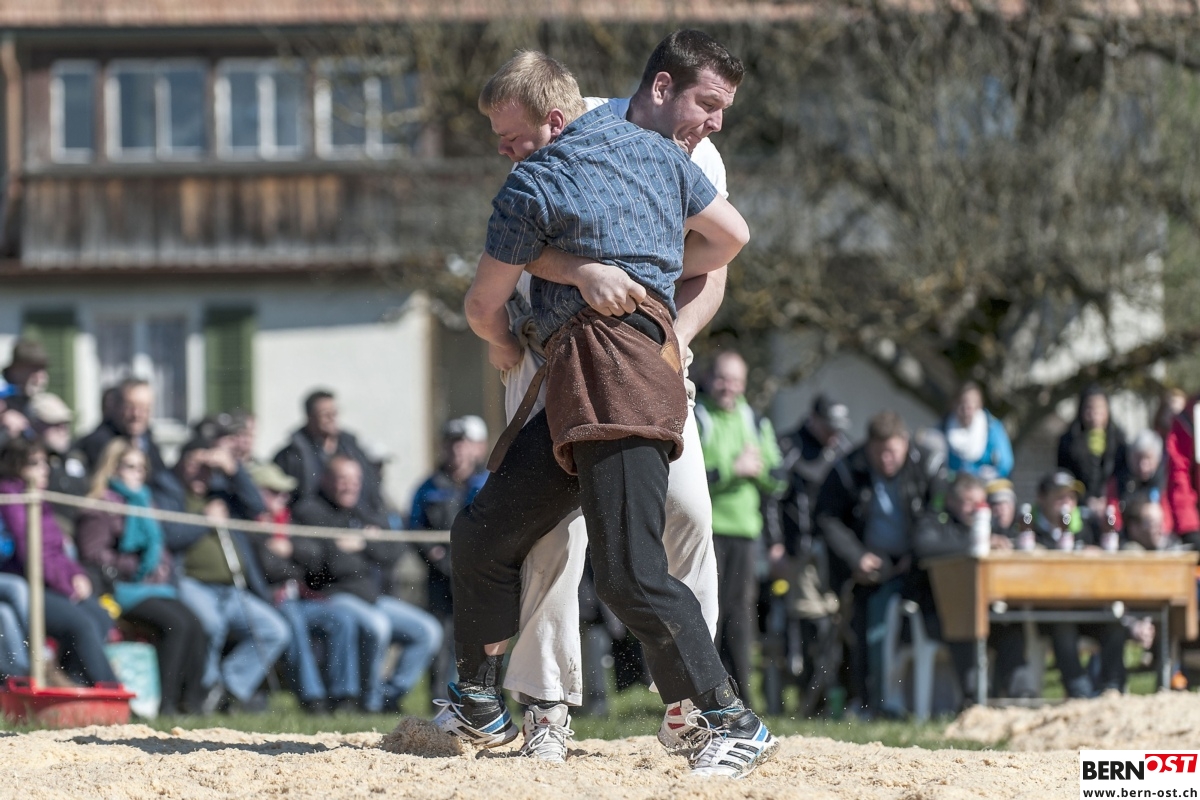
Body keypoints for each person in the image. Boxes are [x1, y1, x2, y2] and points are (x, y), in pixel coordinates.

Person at [441, 50, 777, 778]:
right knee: (486, 533)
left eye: (511, 137)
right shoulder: (658, 154)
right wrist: (648, 269)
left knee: (630, 573)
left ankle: (730, 719)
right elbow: (731, 237)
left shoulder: (532, 183)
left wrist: (502, 344)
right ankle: (480, 700)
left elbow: (482, 303)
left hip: (618, 386)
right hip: (586, 386)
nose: (503, 151)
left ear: (556, 120)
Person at [293, 456, 441, 713]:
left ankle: (389, 696)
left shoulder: (361, 510)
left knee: (428, 631)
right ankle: (369, 703)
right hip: (333, 595)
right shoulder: (310, 511)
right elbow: (329, 564)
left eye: (355, 480)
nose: (350, 486)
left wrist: (363, 543)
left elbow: (393, 552)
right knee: (377, 626)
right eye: (342, 479)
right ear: (326, 479)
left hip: (371, 598)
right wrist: (363, 545)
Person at [813, 410, 939, 716]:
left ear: (905, 443)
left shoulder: (924, 465)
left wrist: (916, 553)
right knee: (872, 631)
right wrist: (856, 556)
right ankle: (873, 701)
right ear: (868, 446)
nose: (886, 459)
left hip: (917, 565)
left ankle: (924, 704)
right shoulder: (847, 469)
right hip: (869, 568)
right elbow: (826, 518)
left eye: (892, 451)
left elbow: (935, 514)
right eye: (879, 452)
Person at [75, 439, 209, 715]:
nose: (137, 474)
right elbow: (92, 554)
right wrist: (134, 565)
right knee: (177, 625)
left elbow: (158, 548)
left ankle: (191, 703)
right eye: (130, 467)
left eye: (141, 468)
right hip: (119, 588)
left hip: (153, 587)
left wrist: (159, 566)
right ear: (113, 468)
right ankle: (165, 704)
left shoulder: (145, 501)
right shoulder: (101, 504)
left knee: (197, 625)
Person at [165, 436, 290, 714]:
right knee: (212, 624)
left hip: (232, 588)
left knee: (275, 630)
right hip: (192, 582)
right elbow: (170, 536)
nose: (202, 472)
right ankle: (203, 691)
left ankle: (226, 689)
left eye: (208, 467)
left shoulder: (222, 494)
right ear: (181, 463)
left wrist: (233, 469)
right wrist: (205, 521)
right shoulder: (169, 492)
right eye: (195, 464)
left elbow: (257, 506)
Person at [694, 351, 786, 703]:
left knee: (741, 617)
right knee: (707, 614)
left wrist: (756, 470)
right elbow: (691, 478)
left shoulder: (755, 421)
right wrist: (734, 469)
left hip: (746, 534)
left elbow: (778, 477)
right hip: (707, 531)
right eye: (722, 378)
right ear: (709, 378)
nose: (728, 387)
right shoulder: (697, 417)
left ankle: (743, 700)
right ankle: (706, 695)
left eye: (735, 380)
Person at [0, 438, 118, 687]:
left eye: (45, 462)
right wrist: (67, 586)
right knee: (82, 624)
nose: (45, 469)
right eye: (35, 463)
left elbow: (57, 549)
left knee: (100, 616)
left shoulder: (39, 499)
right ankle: (111, 689)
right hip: (29, 584)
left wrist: (76, 575)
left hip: (53, 583)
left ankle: (76, 683)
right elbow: (30, 552)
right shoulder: (11, 497)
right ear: (16, 466)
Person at [248, 461, 362, 715]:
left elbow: (315, 557)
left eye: (284, 492)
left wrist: (290, 549)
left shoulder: (288, 521)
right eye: (274, 492)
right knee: (294, 622)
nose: (283, 497)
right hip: (271, 600)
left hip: (300, 598)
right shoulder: (249, 525)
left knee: (342, 619)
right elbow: (269, 570)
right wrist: (292, 562)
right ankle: (312, 698)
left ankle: (344, 696)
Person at [912, 473, 1034, 702]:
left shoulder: (990, 525)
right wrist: (976, 544)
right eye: (968, 502)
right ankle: (975, 698)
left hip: (986, 611)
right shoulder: (936, 522)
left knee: (1010, 624)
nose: (975, 508)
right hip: (940, 613)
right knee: (965, 621)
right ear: (951, 501)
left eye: (980, 502)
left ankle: (1021, 696)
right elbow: (924, 547)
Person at [775, 394, 852, 717]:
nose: (834, 434)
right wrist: (776, 543)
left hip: (836, 553)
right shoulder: (790, 447)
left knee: (838, 625)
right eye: (828, 427)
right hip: (801, 552)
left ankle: (841, 698)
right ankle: (810, 702)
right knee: (811, 625)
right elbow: (773, 498)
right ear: (813, 419)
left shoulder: (842, 448)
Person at [410, 416, 489, 704]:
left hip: (480, 577)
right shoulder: (428, 486)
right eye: (451, 443)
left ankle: (483, 699)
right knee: (443, 641)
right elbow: (414, 527)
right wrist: (431, 552)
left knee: (484, 639)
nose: (457, 449)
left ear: (474, 447)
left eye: (462, 443)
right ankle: (441, 700)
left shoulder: (489, 482)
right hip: (440, 577)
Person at [1031, 471, 1127, 697]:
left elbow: (1111, 555)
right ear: (1042, 498)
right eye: (1059, 496)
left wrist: (1096, 555)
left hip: (1087, 605)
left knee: (1115, 626)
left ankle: (1113, 689)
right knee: (1063, 626)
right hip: (1048, 610)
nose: (1067, 503)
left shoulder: (1087, 526)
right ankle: (1079, 693)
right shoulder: (1029, 527)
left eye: (1071, 497)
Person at [273, 390, 385, 520]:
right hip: (310, 525)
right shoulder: (291, 456)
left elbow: (371, 492)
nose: (332, 418)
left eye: (334, 413)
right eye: (325, 414)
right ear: (310, 417)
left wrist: (375, 521)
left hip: (356, 522)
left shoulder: (353, 450)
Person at [1057, 385, 1127, 535]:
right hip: (1079, 507)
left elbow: (1122, 476)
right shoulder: (1068, 441)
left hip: (1111, 505)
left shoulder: (1119, 441)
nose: (1095, 415)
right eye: (1089, 409)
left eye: (1100, 409)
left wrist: (1106, 499)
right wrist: (1086, 500)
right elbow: (1065, 477)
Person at [941, 381, 1013, 480]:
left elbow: (1005, 464)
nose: (966, 410)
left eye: (970, 406)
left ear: (979, 406)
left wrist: (984, 475)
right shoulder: (944, 426)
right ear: (954, 404)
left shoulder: (992, 428)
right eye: (962, 404)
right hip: (953, 480)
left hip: (986, 482)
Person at [1106, 429, 1171, 535]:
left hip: (1154, 535)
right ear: (1130, 457)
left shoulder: (1163, 480)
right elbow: (1112, 510)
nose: (1143, 466)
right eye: (1138, 458)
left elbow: (1166, 520)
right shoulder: (1119, 478)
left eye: (1148, 459)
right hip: (1124, 534)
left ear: (1157, 459)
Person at [0, 339, 50, 442]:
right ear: (16, 369)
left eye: (43, 369)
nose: (40, 378)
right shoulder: (3, 393)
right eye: (34, 369)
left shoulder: (27, 399)